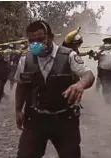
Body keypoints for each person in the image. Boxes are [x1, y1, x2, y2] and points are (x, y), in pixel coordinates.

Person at [14, 20, 95, 158]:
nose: (35, 44)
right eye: (31, 41)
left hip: (64, 119)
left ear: (50, 37)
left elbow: (89, 75)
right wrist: (18, 110)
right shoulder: (25, 60)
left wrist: (80, 85)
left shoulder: (68, 56)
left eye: (40, 39)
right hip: (35, 120)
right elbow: (21, 86)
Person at [88, 37, 111, 104]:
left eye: (107, 43)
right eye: (105, 43)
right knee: (105, 87)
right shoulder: (101, 51)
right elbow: (95, 58)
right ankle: (107, 101)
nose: (106, 45)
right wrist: (101, 50)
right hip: (104, 73)